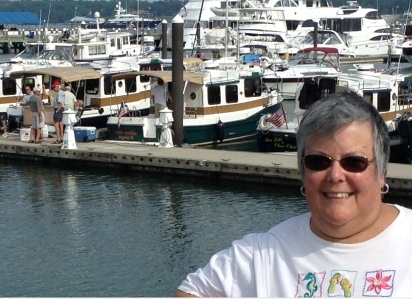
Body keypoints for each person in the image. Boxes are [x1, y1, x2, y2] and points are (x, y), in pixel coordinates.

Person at [175, 90, 412, 297]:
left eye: (353, 162)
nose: (335, 175)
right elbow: (191, 293)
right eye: (319, 161)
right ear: (302, 171)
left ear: (382, 172)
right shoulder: (262, 254)